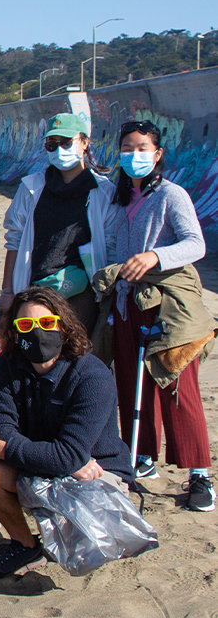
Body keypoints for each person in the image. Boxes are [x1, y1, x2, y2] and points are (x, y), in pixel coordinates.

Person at [0, 287, 133, 579]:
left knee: (86, 553)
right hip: (57, 465)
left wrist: (0, 449)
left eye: (46, 324)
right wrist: (59, 458)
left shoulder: (92, 375)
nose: (36, 332)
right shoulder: (5, 367)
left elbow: (63, 453)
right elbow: (3, 427)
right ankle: (24, 543)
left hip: (97, 472)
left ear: (62, 325)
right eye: (25, 325)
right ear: (15, 332)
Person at [106, 120, 211, 511]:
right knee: (131, 387)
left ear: (158, 153)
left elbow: (194, 244)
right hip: (127, 303)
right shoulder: (119, 199)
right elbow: (115, 249)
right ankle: (142, 455)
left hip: (169, 306)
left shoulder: (172, 194)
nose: (134, 155)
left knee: (177, 386)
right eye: (127, 148)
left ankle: (198, 473)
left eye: (142, 148)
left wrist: (155, 256)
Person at [0, 114, 120, 334]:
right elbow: (14, 241)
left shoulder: (103, 192)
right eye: (51, 144)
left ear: (84, 143)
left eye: (66, 142)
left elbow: (110, 246)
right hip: (34, 288)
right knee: (36, 352)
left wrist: (109, 299)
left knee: (75, 352)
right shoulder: (31, 187)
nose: (59, 149)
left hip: (81, 293)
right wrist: (7, 291)